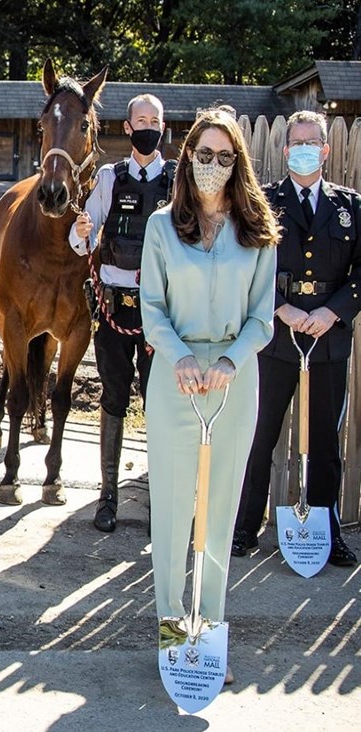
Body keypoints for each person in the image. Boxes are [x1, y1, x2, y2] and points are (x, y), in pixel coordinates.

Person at [140, 106, 278, 684]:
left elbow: (263, 316)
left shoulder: (258, 232)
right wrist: (182, 361)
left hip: (233, 379)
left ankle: (210, 636)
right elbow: (152, 312)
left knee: (219, 512)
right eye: (203, 154)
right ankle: (174, 633)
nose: (212, 166)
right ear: (187, 155)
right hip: (176, 382)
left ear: (237, 163)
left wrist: (228, 359)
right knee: (173, 514)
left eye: (225, 157)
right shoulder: (162, 226)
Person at [233, 110, 360, 567]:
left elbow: (360, 273)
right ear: (286, 150)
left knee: (326, 442)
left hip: (327, 339)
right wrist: (280, 309)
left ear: (325, 150)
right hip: (275, 338)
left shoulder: (350, 206)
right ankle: (245, 528)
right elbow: (245, 266)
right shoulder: (264, 202)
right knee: (260, 435)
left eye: (312, 141)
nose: (304, 148)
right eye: (296, 141)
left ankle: (326, 535)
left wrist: (333, 312)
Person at [70, 94, 176, 532]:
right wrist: (80, 233)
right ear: (128, 128)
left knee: (160, 403)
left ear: (162, 127)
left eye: (155, 120)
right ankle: (108, 495)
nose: (148, 126)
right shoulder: (110, 179)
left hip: (161, 312)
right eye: (140, 120)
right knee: (114, 396)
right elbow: (85, 241)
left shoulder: (177, 182)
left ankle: (159, 497)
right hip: (115, 305)